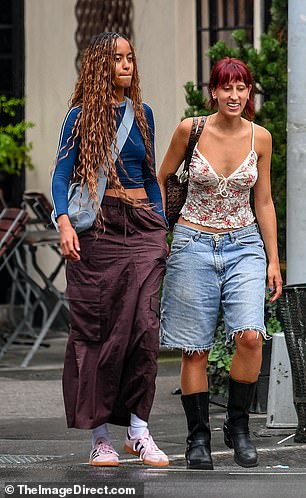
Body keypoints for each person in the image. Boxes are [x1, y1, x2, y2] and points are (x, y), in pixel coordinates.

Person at [158, 57, 282, 470]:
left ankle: (238, 426)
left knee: (250, 336)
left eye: (241, 88)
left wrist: (273, 260)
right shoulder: (189, 130)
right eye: (226, 88)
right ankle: (198, 438)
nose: (234, 95)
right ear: (213, 91)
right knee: (195, 349)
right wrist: (161, 235)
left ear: (249, 93)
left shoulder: (260, 138)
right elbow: (162, 180)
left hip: (244, 243)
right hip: (193, 242)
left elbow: (263, 201)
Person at [51, 32, 169, 467]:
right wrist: (63, 222)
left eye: (130, 58)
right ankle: (100, 437)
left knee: (143, 330)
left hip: (142, 231)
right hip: (96, 234)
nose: (127, 65)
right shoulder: (79, 118)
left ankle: (139, 430)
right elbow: (60, 176)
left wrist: (160, 229)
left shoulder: (143, 114)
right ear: (101, 65)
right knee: (97, 332)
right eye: (118, 59)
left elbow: (151, 174)